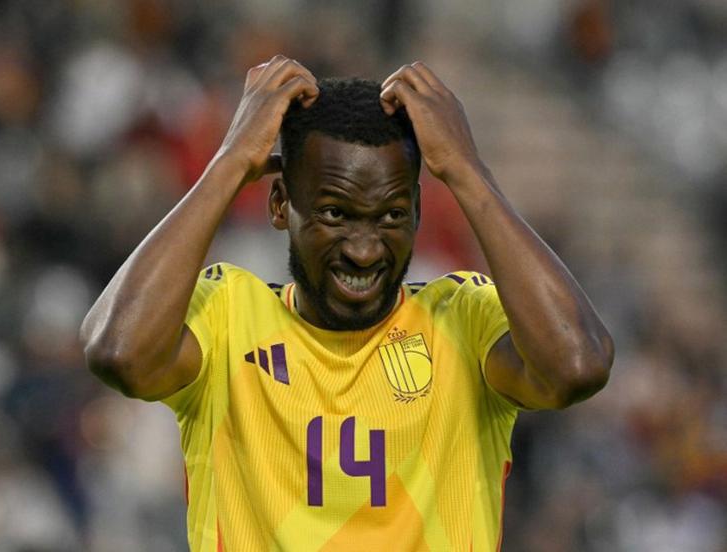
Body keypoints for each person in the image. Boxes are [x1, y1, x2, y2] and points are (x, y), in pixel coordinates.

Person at [80, 56, 614, 551]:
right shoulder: (225, 315)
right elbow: (119, 353)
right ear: (281, 203)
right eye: (335, 214)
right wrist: (228, 163)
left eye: (391, 216)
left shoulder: (463, 319)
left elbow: (576, 366)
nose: (364, 250)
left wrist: (467, 171)